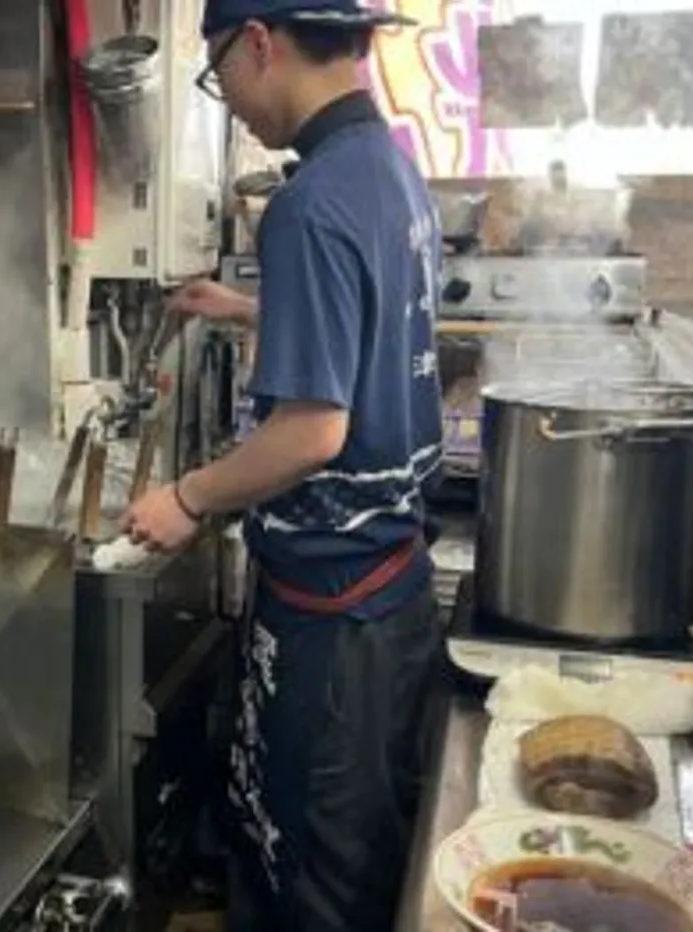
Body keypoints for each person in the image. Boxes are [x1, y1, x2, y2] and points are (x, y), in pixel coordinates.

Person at [121, 1, 447, 929]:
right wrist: (250, 311)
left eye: (216, 70)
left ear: (259, 43)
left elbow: (312, 434)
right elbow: (369, 325)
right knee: (357, 869)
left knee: (317, 894)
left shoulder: (309, 203)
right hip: (389, 603)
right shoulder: (389, 169)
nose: (225, 98)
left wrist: (188, 497)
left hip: (335, 624)